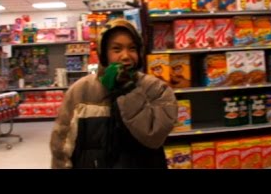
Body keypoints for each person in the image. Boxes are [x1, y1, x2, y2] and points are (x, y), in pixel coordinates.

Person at [50, 19, 178, 169]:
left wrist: (128, 91)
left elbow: (154, 135)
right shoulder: (80, 90)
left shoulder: (156, 88)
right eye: (116, 49)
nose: (125, 56)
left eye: (132, 48)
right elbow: (61, 145)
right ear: (104, 54)